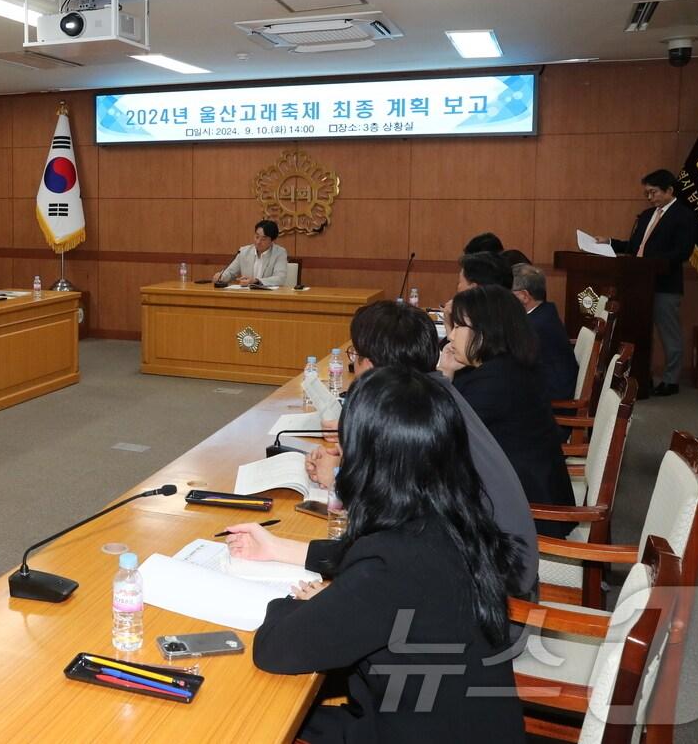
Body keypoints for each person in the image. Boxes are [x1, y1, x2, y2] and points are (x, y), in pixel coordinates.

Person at [227, 367, 526, 744]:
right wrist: (281, 550)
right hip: (458, 721)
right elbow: (367, 568)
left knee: (249, 720)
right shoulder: (452, 518)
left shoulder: (393, 564)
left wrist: (296, 602)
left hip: (408, 728)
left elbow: (276, 649)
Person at [302, 300, 538, 596]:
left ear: (373, 366)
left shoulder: (421, 416)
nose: (353, 367)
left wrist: (339, 478)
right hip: (483, 562)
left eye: (356, 357)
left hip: (489, 591)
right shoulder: (433, 397)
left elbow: (394, 521)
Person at [440, 285, 576, 536]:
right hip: (520, 494)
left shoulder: (495, 382)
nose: (450, 337)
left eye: (458, 327)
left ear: (486, 331)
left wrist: (443, 378)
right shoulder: (506, 367)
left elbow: (441, 435)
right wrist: (447, 374)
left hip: (524, 518)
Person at [594, 169, 696, 396]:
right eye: (647, 193)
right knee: (637, 330)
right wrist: (609, 242)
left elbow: (682, 251)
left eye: (654, 192)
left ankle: (671, 380)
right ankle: (640, 375)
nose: (650, 198)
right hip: (638, 284)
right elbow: (634, 247)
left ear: (669, 190)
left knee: (669, 333)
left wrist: (650, 263)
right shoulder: (647, 215)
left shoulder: (684, 216)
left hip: (664, 285)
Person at [511, 263, 578, 402]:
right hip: (551, 386)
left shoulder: (534, 326)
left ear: (524, 296)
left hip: (553, 400)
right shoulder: (545, 312)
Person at [212, 219, 288, 287]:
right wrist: (221, 277)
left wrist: (256, 281)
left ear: (272, 240)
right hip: (247, 296)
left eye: (263, 239)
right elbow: (230, 272)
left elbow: (280, 278)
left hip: (269, 297)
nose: (258, 242)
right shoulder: (244, 251)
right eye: (257, 237)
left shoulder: (279, 253)